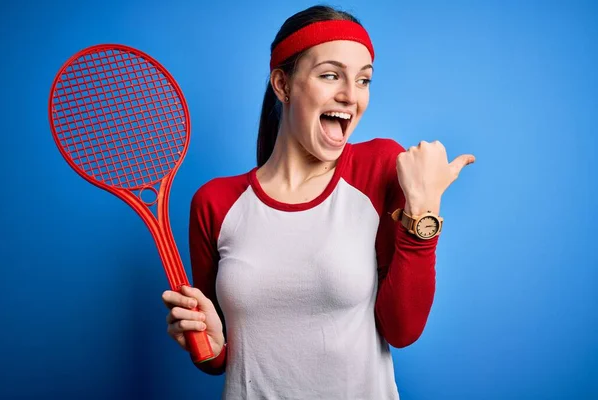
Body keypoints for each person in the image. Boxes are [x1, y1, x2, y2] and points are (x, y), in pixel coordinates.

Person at [161, 4, 475, 399]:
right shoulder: (216, 203)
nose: (350, 96)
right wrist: (209, 345)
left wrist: (424, 210)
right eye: (331, 76)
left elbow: (403, 329)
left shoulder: (377, 170)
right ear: (283, 84)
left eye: (363, 80)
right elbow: (221, 356)